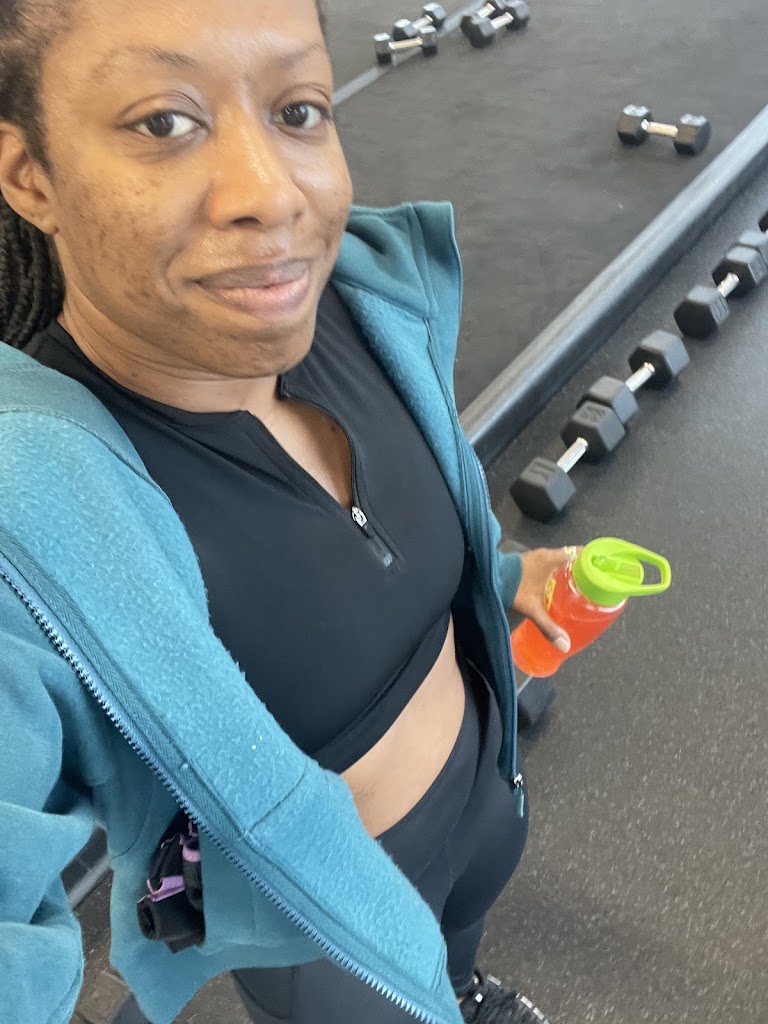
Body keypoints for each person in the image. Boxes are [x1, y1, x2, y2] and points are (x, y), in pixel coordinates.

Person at [0, 1, 577, 1022]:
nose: (271, 193)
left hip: (482, 794)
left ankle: (461, 984)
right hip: (327, 936)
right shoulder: (31, 512)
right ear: (29, 176)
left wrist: (498, 574)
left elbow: (403, 528)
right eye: (164, 122)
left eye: (298, 110)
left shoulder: (366, 302)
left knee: (454, 958)